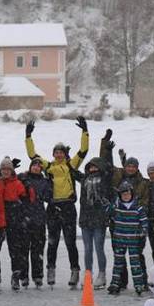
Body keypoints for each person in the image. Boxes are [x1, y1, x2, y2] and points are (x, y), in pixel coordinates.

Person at [25, 117, 89, 288]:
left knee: (70, 242)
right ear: (53, 154)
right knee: (52, 242)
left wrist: (84, 131)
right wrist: (28, 136)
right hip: (53, 207)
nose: (59, 154)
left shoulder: (70, 165)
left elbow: (84, 150)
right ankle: (50, 269)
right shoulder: (49, 167)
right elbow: (33, 156)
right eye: (56, 152)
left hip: (68, 206)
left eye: (61, 152)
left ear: (65, 154)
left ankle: (74, 271)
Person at [76, 156, 113, 289]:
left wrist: (107, 150)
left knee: (98, 247)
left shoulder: (105, 179)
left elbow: (109, 166)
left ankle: (102, 275)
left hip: (99, 219)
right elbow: (72, 170)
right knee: (87, 249)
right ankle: (88, 274)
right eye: (90, 166)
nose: (93, 168)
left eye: (95, 166)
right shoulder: (84, 179)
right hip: (86, 219)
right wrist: (68, 157)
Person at [0, 157, 31, 291]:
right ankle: (16, 274)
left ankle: (23, 274)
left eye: (8, 169)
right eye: (3, 169)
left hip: (17, 217)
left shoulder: (18, 183)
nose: (5, 172)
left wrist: (24, 217)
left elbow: (26, 199)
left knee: (23, 248)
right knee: (13, 249)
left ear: (11, 170)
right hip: (4, 218)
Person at [107, 181, 149, 295]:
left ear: (132, 194)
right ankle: (115, 284)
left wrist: (143, 231)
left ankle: (139, 285)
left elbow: (144, 222)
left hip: (133, 240)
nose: (126, 196)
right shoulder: (116, 207)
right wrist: (107, 205)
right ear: (120, 195)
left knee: (135, 264)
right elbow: (108, 213)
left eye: (128, 194)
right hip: (119, 240)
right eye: (123, 194)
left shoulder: (138, 208)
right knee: (118, 263)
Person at [18, 155, 52, 289]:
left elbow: (48, 198)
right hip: (25, 219)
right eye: (34, 165)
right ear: (30, 167)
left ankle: (38, 276)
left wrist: (50, 184)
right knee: (24, 250)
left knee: (37, 250)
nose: (36, 167)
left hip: (39, 219)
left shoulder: (44, 181)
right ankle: (24, 276)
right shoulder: (23, 178)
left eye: (39, 166)